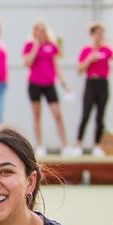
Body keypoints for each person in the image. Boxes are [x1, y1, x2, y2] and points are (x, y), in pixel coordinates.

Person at [68, 22, 113, 157]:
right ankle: (78, 142)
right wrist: (90, 59)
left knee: (100, 115)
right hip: (91, 82)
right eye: (97, 33)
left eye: (101, 33)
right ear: (92, 35)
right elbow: (79, 69)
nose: (99, 36)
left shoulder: (106, 50)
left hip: (103, 84)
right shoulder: (86, 50)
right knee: (86, 113)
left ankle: (97, 144)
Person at [22, 20, 71, 155]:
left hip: (49, 84)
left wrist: (63, 82)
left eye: (43, 30)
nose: (41, 33)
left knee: (57, 114)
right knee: (37, 115)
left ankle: (65, 145)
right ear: (34, 32)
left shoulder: (52, 46)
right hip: (34, 84)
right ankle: (39, 145)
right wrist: (36, 47)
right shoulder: (29, 45)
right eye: (38, 30)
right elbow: (27, 62)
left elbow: (56, 66)